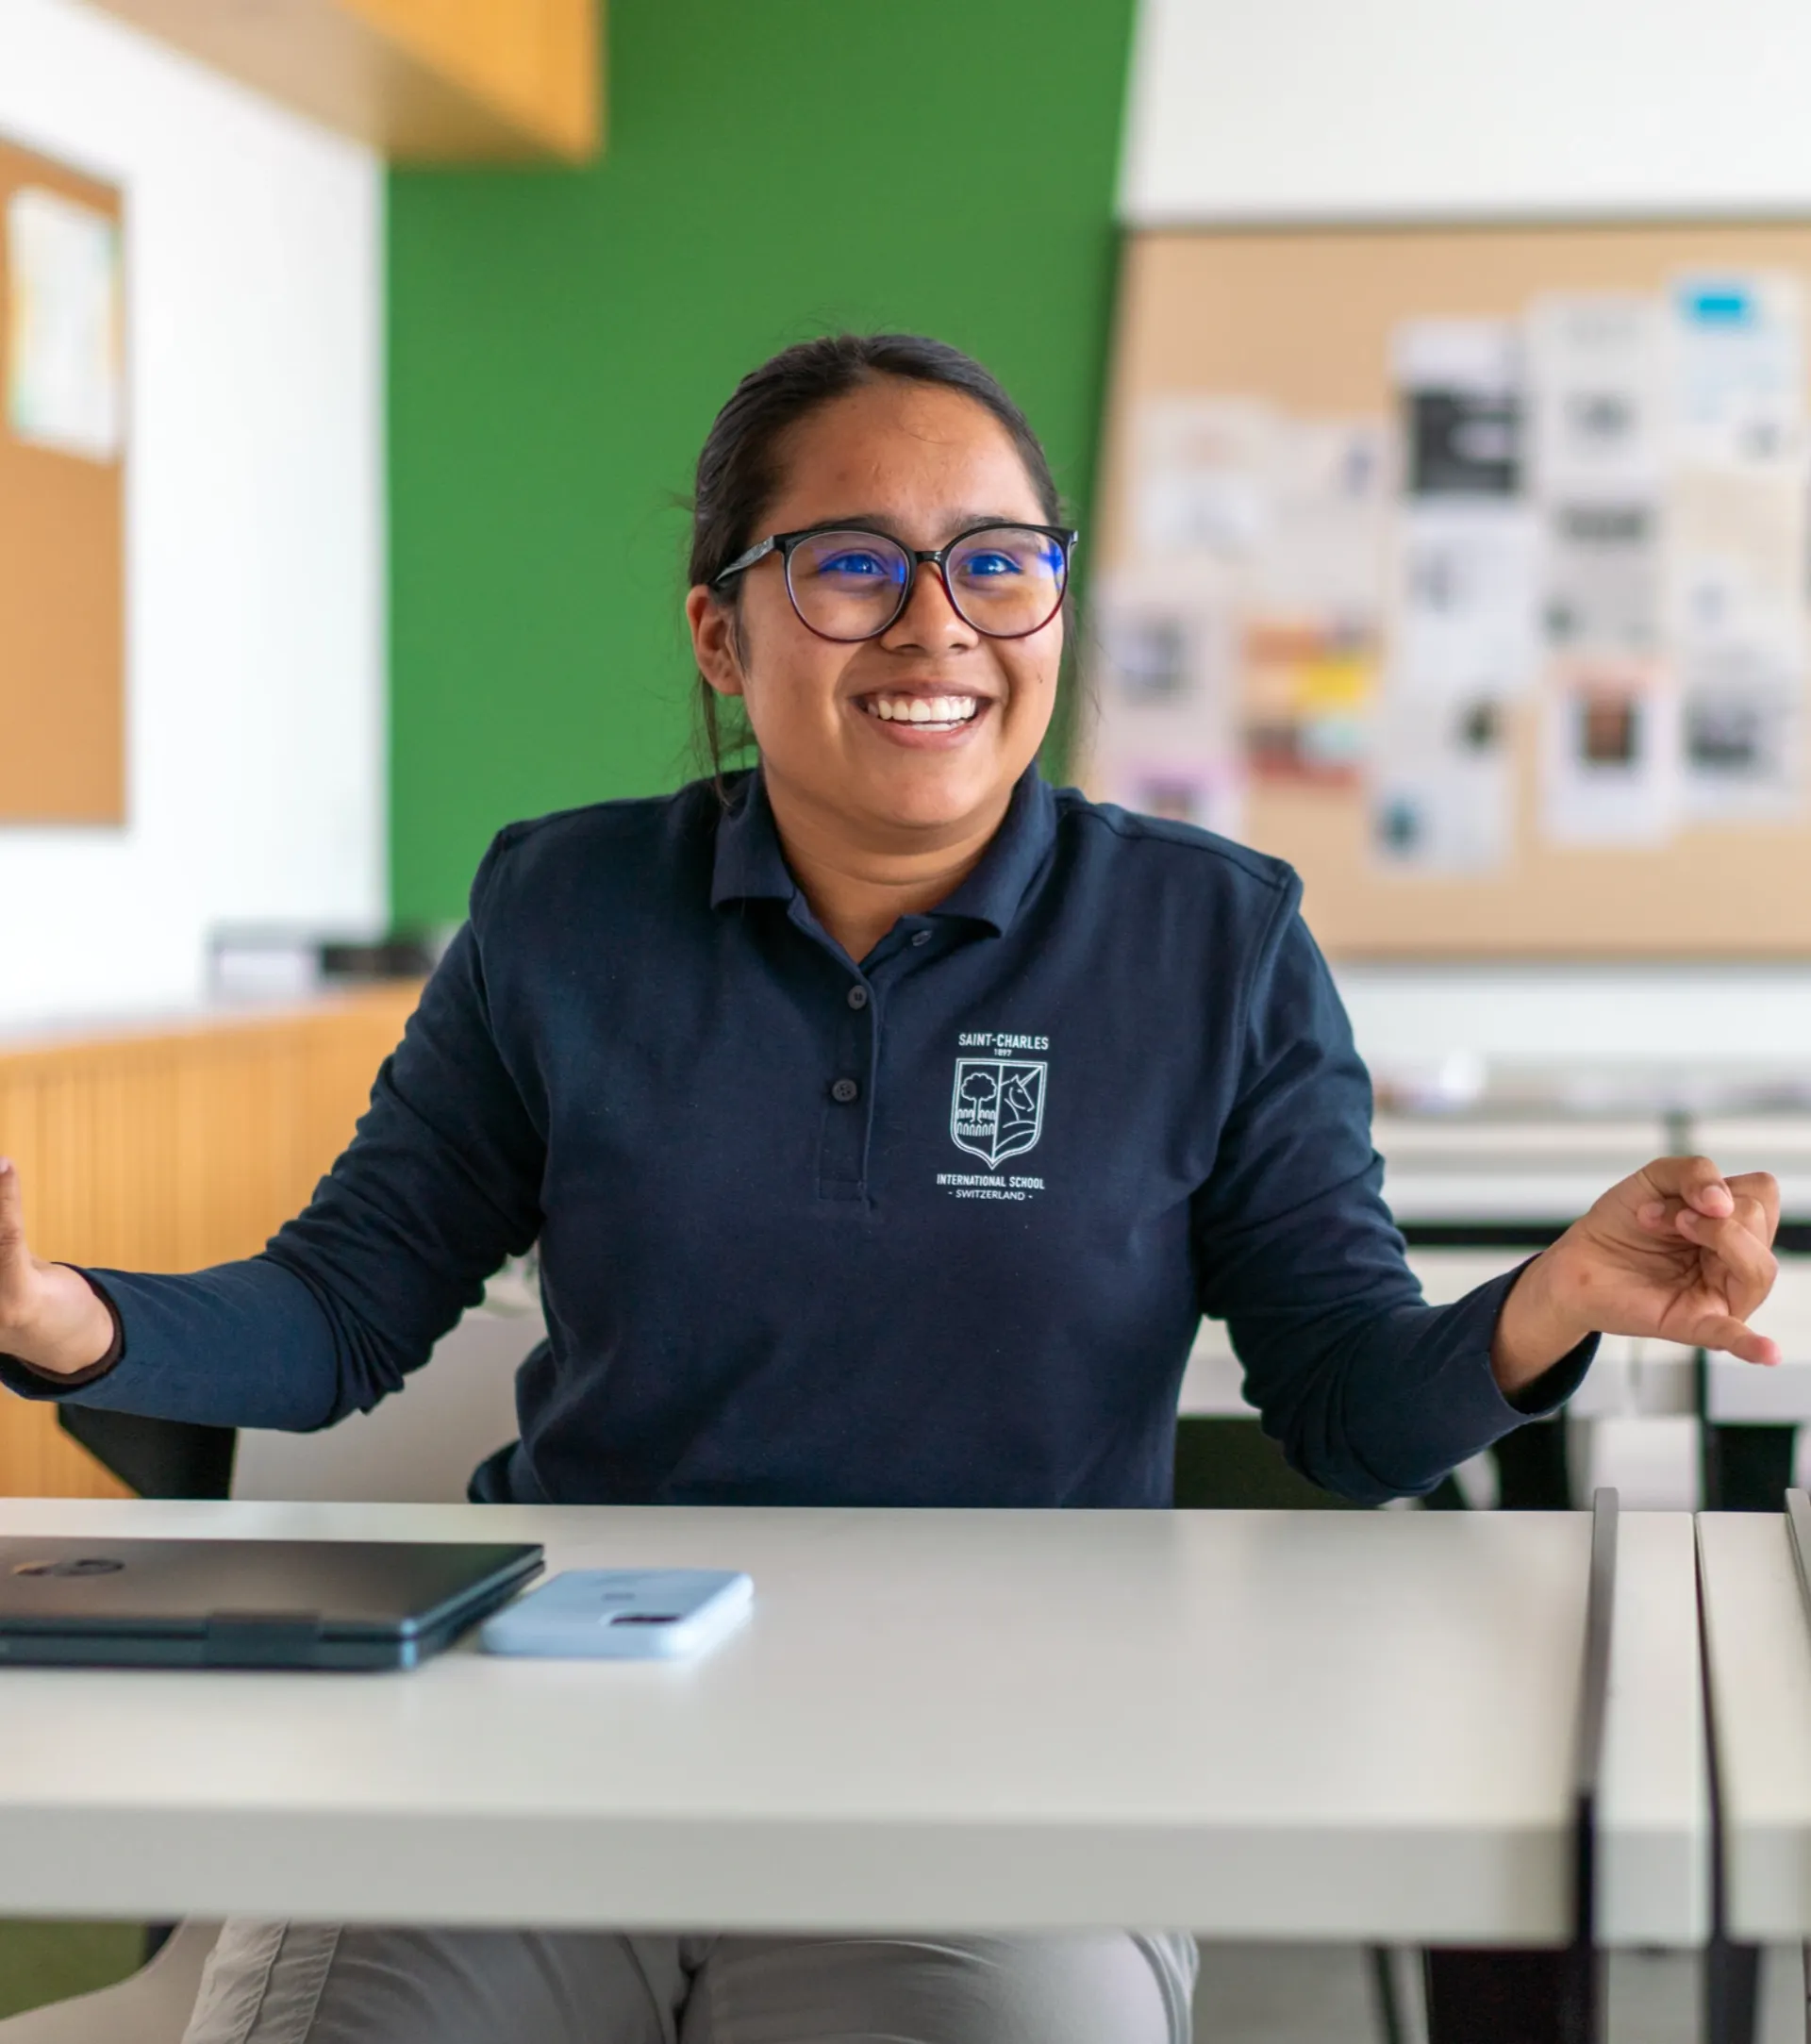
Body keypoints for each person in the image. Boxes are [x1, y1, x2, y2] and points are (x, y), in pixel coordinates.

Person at [0, 332, 1783, 2044]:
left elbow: (1341, 1406)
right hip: (545, 1738)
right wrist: (55, 1315)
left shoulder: (1213, 938)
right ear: (720, 628)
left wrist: (1552, 1302)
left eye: (1000, 563)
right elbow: (340, 1311)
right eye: (852, 564)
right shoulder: (560, 913)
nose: (938, 624)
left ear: (1056, 607)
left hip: (1014, 1765)